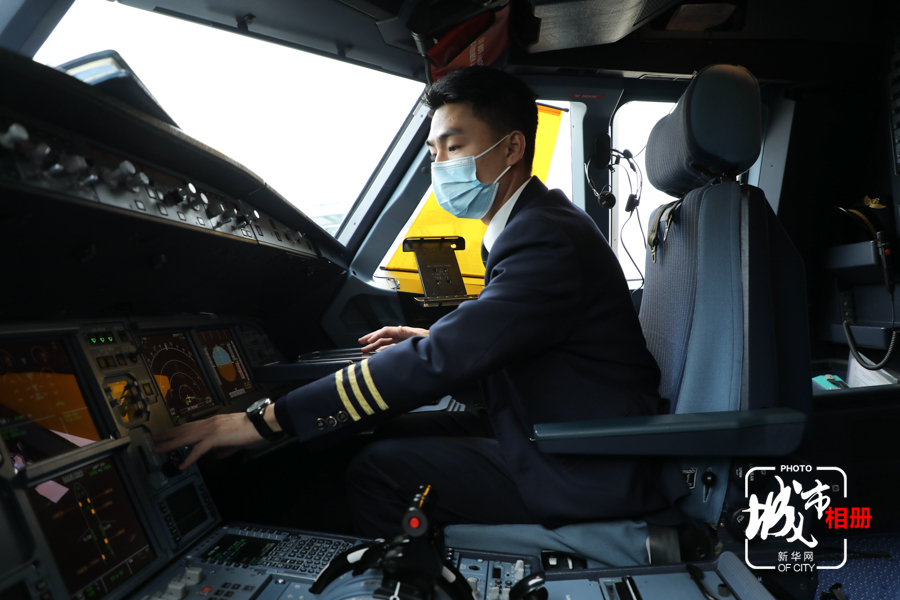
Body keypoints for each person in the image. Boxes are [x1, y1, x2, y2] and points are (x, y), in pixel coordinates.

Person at [154, 66, 687, 538]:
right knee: (384, 431)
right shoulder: (537, 223)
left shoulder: (545, 236)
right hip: (560, 427)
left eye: (453, 147)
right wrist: (436, 341)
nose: (440, 165)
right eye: (433, 152)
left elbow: (446, 358)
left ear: (511, 149)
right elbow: (510, 346)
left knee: (379, 471)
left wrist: (267, 421)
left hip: (588, 463)